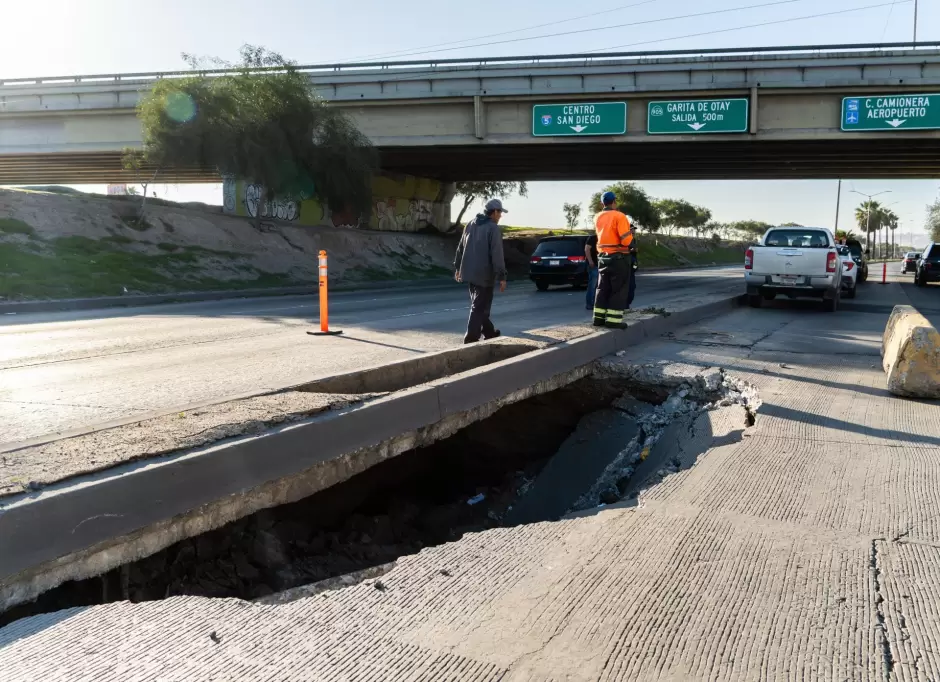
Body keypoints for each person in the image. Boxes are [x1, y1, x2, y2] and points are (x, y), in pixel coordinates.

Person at [454, 198, 508, 343]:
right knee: (479, 307)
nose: (500, 216)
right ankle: (471, 337)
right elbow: (497, 254)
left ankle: (489, 332)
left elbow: (460, 248)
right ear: (494, 212)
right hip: (484, 276)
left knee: (480, 305)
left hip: (469, 274)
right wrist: (502, 276)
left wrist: (458, 267)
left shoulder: (470, 224)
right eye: (500, 212)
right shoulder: (493, 228)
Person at [592, 191, 636, 329]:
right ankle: (613, 321)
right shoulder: (619, 216)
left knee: (602, 288)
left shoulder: (597, 217)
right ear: (614, 202)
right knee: (619, 289)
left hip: (603, 257)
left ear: (602, 203)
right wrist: (631, 233)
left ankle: (598, 319)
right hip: (619, 258)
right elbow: (625, 241)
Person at [585, 232, 599, 310]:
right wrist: (590, 261)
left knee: (599, 285)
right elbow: (587, 249)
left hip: (601, 265)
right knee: (592, 285)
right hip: (593, 265)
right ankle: (589, 303)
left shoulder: (604, 238)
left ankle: (597, 303)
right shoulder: (592, 238)